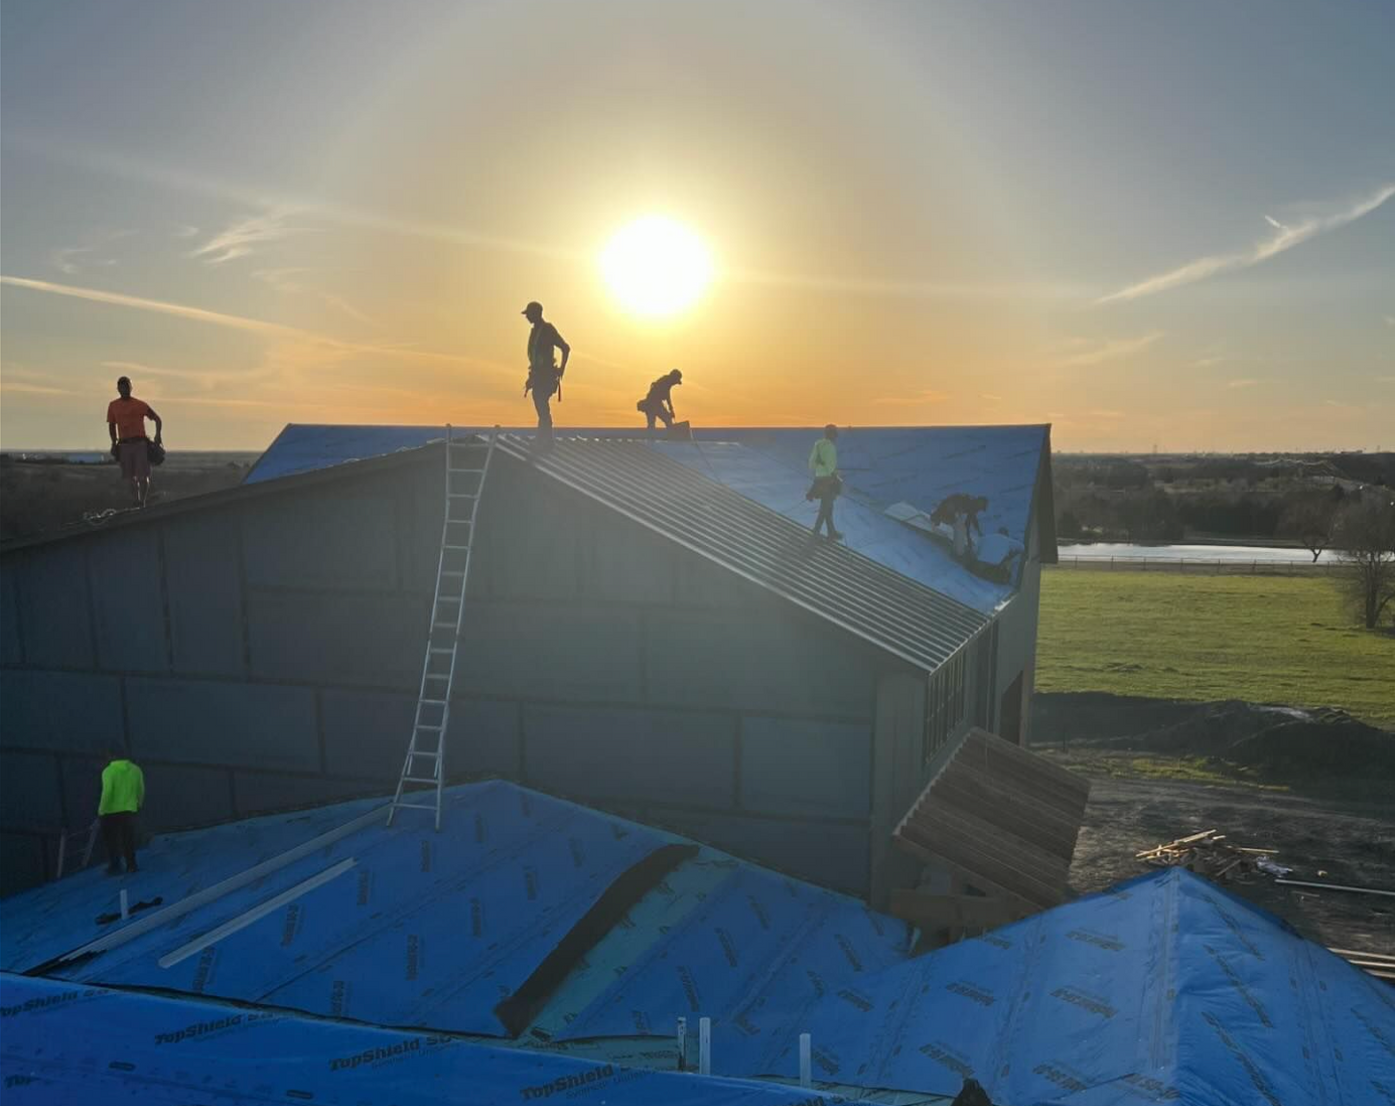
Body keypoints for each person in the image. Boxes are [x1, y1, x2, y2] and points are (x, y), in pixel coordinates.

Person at [106, 376, 162, 507]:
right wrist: (113, 444)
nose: (125, 390)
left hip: (140, 444)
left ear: (131, 388)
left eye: (127, 387)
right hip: (124, 444)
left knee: (142, 476)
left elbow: (157, 419)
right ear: (118, 389)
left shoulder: (139, 404)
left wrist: (158, 436)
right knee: (129, 478)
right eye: (122, 387)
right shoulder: (113, 406)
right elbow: (111, 425)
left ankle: (142, 502)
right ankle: (136, 502)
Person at [521, 301, 570, 450]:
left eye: (528, 314)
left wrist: (562, 369)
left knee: (542, 405)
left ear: (536, 314)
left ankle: (546, 441)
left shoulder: (547, 330)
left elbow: (565, 348)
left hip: (546, 376)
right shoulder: (535, 331)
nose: (527, 317)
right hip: (538, 376)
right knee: (540, 405)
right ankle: (543, 439)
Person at [98, 749, 145, 875]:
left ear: (110, 756)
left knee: (111, 840)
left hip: (110, 811)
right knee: (128, 838)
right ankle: (131, 865)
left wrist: (101, 810)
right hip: (129, 809)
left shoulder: (108, 771)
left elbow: (107, 793)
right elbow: (140, 789)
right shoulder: (136, 770)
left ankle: (115, 866)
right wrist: (139, 804)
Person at [806, 424, 843, 541]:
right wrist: (835, 474)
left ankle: (831, 532)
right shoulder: (831, 447)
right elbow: (831, 468)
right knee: (825, 508)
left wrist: (820, 465)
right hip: (829, 481)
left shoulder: (818, 444)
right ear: (833, 435)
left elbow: (811, 464)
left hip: (818, 480)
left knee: (829, 507)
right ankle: (816, 532)